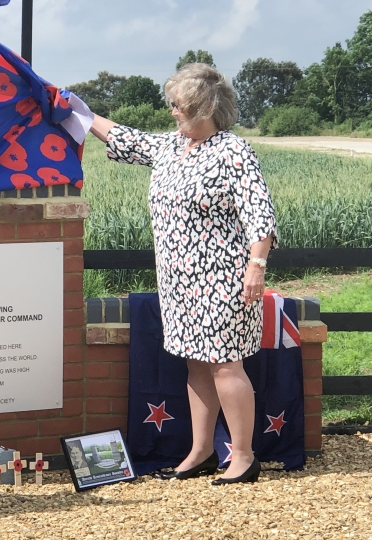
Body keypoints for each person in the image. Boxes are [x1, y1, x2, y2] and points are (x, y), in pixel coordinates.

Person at [89, 63, 278, 485]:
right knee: (196, 364)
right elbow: (128, 139)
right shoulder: (173, 146)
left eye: (178, 106)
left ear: (203, 107)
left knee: (226, 365)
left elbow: (259, 215)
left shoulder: (233, 150)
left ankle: (244, 456)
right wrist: (79, 112)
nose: (172, 112)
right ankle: (201, 450)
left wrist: (256, 267)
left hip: (224, 278)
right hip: (178, 283)